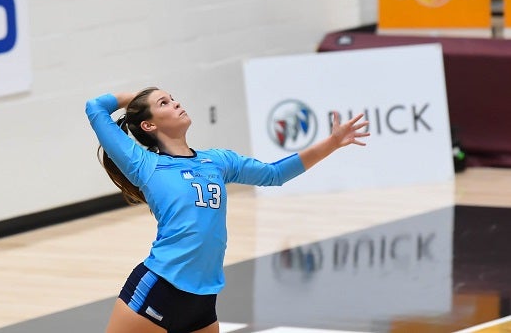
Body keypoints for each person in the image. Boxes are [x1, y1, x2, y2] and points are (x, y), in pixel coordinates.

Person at [85, 87, 369, 333]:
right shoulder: (145, 164)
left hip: (204, 298)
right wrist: (136, 97)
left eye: (173, 98)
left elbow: (274, 174)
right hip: (160, 288)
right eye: (164, 103)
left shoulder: (217, 161)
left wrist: (332, 143)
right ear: (149, 125)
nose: (176, 103)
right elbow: (95, 107)